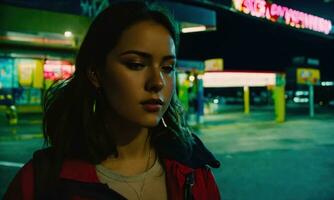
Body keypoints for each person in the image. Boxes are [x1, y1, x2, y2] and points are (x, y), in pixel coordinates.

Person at [4, 1, 221, 199]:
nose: (158, 82)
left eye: (167, 68)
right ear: (95, 73)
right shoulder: (42, 181)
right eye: (136, 64)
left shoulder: (194, 169)